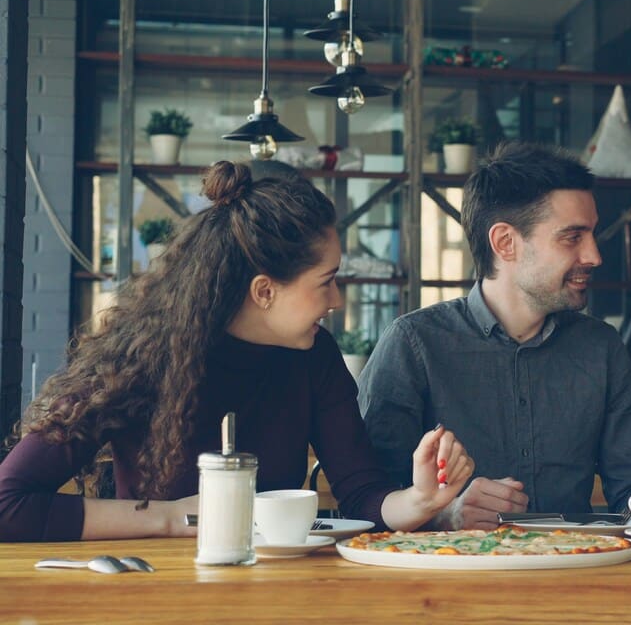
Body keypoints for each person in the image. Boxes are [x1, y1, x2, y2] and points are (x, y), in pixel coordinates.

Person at [0, 162, 473, 542]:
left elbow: (361, 494)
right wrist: (171, 518)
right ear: (265, 291)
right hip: (153, 593)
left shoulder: (314, 354)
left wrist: (420, 501)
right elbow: (7, 503)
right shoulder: (140, 355)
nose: (337, 300)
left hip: (276, 594)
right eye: (326, 282)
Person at [359, 143, 631, 529]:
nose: (594, 256)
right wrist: (445, 515)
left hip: (576, 572)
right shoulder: (413, 344)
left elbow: (630, 488)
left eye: (592, 235)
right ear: (505, 243)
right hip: (446, 579)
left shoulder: (602, 347)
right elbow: (369, 499)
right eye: (572, 237)